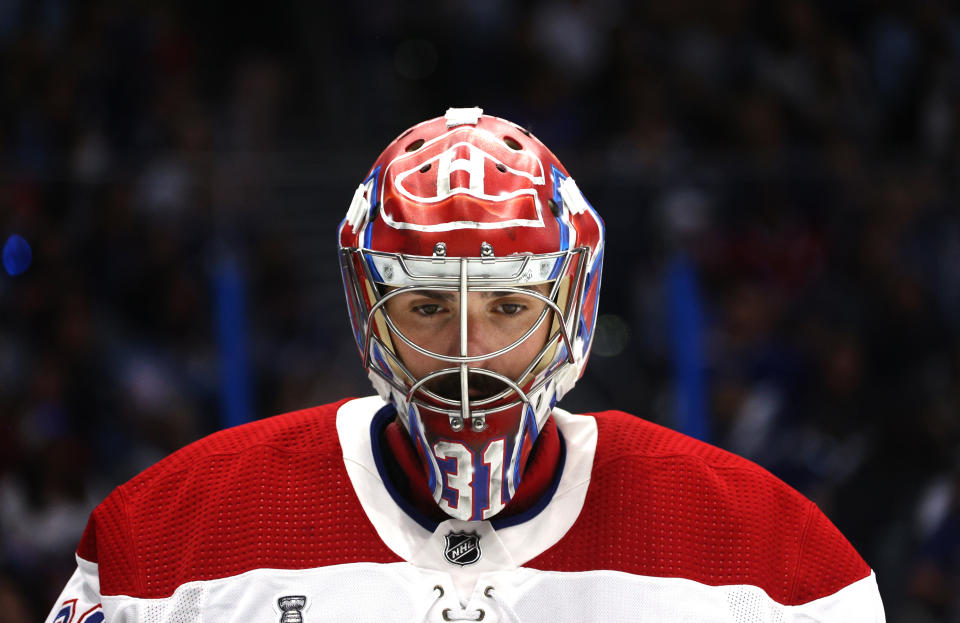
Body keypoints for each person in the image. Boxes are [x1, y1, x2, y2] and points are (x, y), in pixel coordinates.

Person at [45, 108, 885, 622]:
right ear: (370, 315)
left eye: (510, 307)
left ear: (573, 312)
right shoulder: (166, 542)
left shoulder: (775, 561)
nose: (466, 351)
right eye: (426, 306)